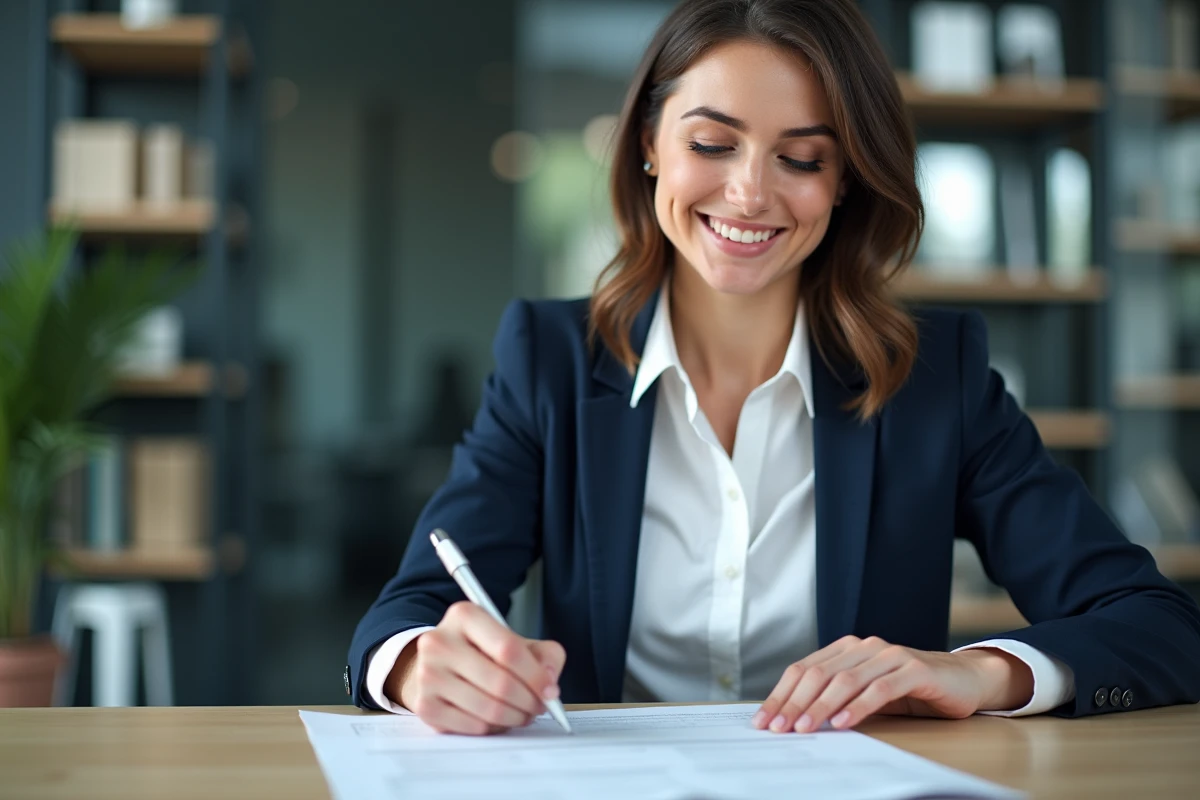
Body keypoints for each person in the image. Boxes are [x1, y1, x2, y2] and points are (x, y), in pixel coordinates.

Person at [348, 0, 1200, 736]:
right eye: (713, 143)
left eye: (801, 159)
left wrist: (979, 675)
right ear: (650, 143)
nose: (751, 194)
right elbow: (406, 613)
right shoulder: (548, 362)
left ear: (845, 183)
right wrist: (422, 665)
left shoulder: (938, 378)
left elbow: (1159, 627)